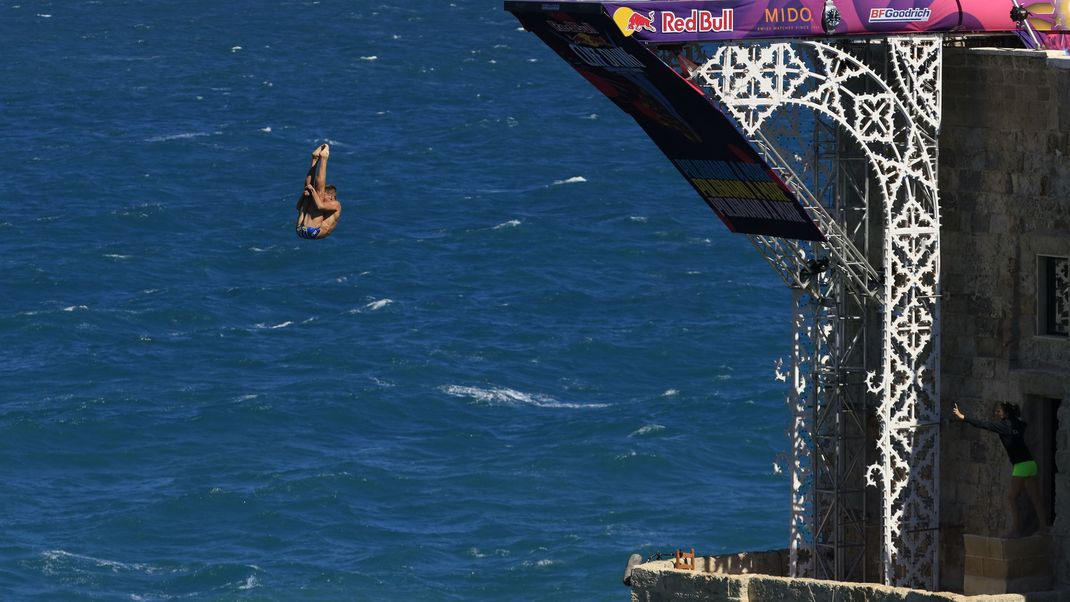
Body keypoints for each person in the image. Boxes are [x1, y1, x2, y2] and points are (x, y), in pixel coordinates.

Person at [952, 401, 1049, 536]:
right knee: (1036, 498)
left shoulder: (1003, 426)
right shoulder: (1018, 424)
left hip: (1020, 466)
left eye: (999, 411)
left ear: (1006, 413)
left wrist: (963, 417)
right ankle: (1044, 527)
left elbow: (984, 425)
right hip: (1030, 464)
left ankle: (1016, 529)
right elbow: (1023, 425)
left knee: (1011, 498)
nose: (997, 413)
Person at [295, 144, 341, 239]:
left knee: (316, 194)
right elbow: (299, 207)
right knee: (309, 194)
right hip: (302, 230)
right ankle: (316, 159)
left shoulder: (336, 204)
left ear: (331, 197)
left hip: (310, 231)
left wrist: (312, 190)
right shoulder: (329, 203)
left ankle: (320, 159)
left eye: (325, 197)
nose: (323, 199)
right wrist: (304, 195)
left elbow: (320, 206)